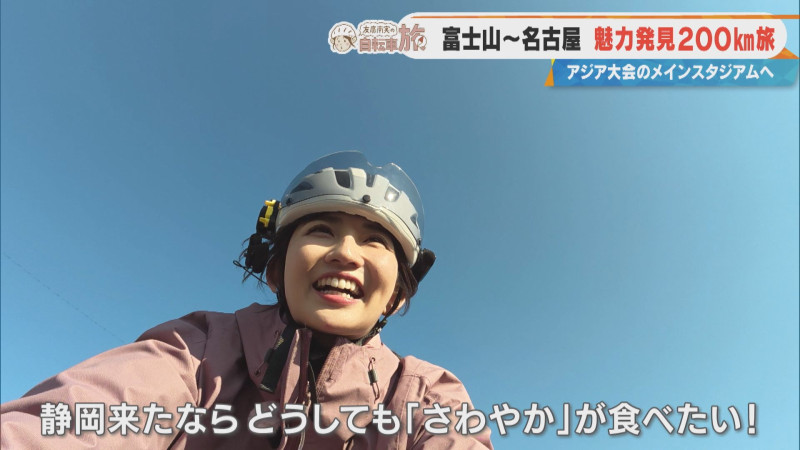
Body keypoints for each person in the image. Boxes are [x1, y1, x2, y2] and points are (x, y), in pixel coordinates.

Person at [0, 151, 493, 449]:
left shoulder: (427, 394)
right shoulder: (196, 350)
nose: (345, 253)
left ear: (397, 293)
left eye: (374, 241)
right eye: (321, 230)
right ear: (277, 270)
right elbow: (78, 418)